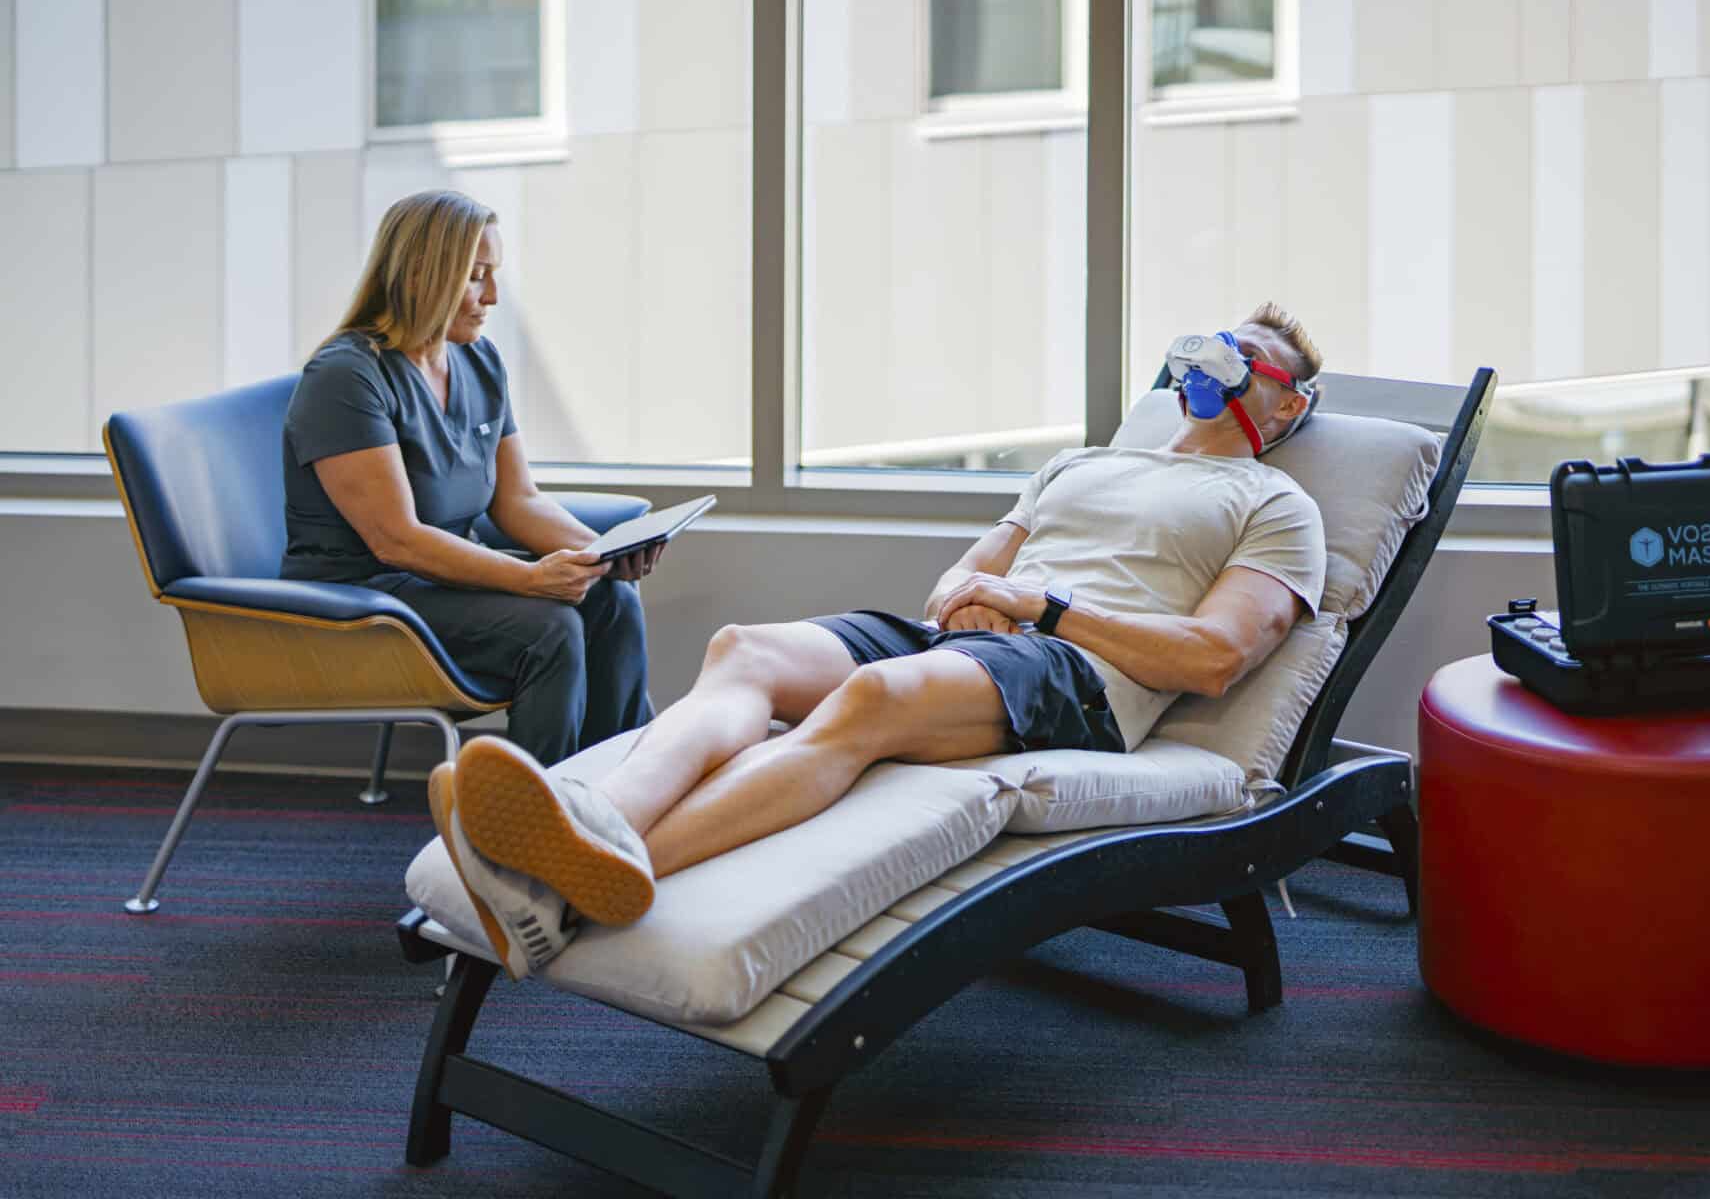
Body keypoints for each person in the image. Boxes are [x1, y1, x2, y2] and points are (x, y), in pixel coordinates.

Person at [430, 303, 1328, 980]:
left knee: (869, 700)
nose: (1224, 358)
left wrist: (1038, 607)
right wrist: (974, 602)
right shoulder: (1084, 463)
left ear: (1286, 408)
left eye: (1252, 358)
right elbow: (954, 580)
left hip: (1078, 674)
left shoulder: (1276, 504)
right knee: (746, 648)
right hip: (975, 641)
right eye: (1221, 341)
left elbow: (1214, 659)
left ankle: (580, 883)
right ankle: (594, 825)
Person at [281, 189, 661, 764]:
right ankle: (537, 818)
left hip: (442, 580)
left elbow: (517, 503)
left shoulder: (478, 360)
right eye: (475, 276)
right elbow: (396, 540)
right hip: (366, 596)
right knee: (549, 627)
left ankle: (624, 783)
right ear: (420, 276)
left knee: (612, 599)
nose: (492, 296)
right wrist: (530, 580)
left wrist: (601, 553)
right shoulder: (346, 378)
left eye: (494, 274)